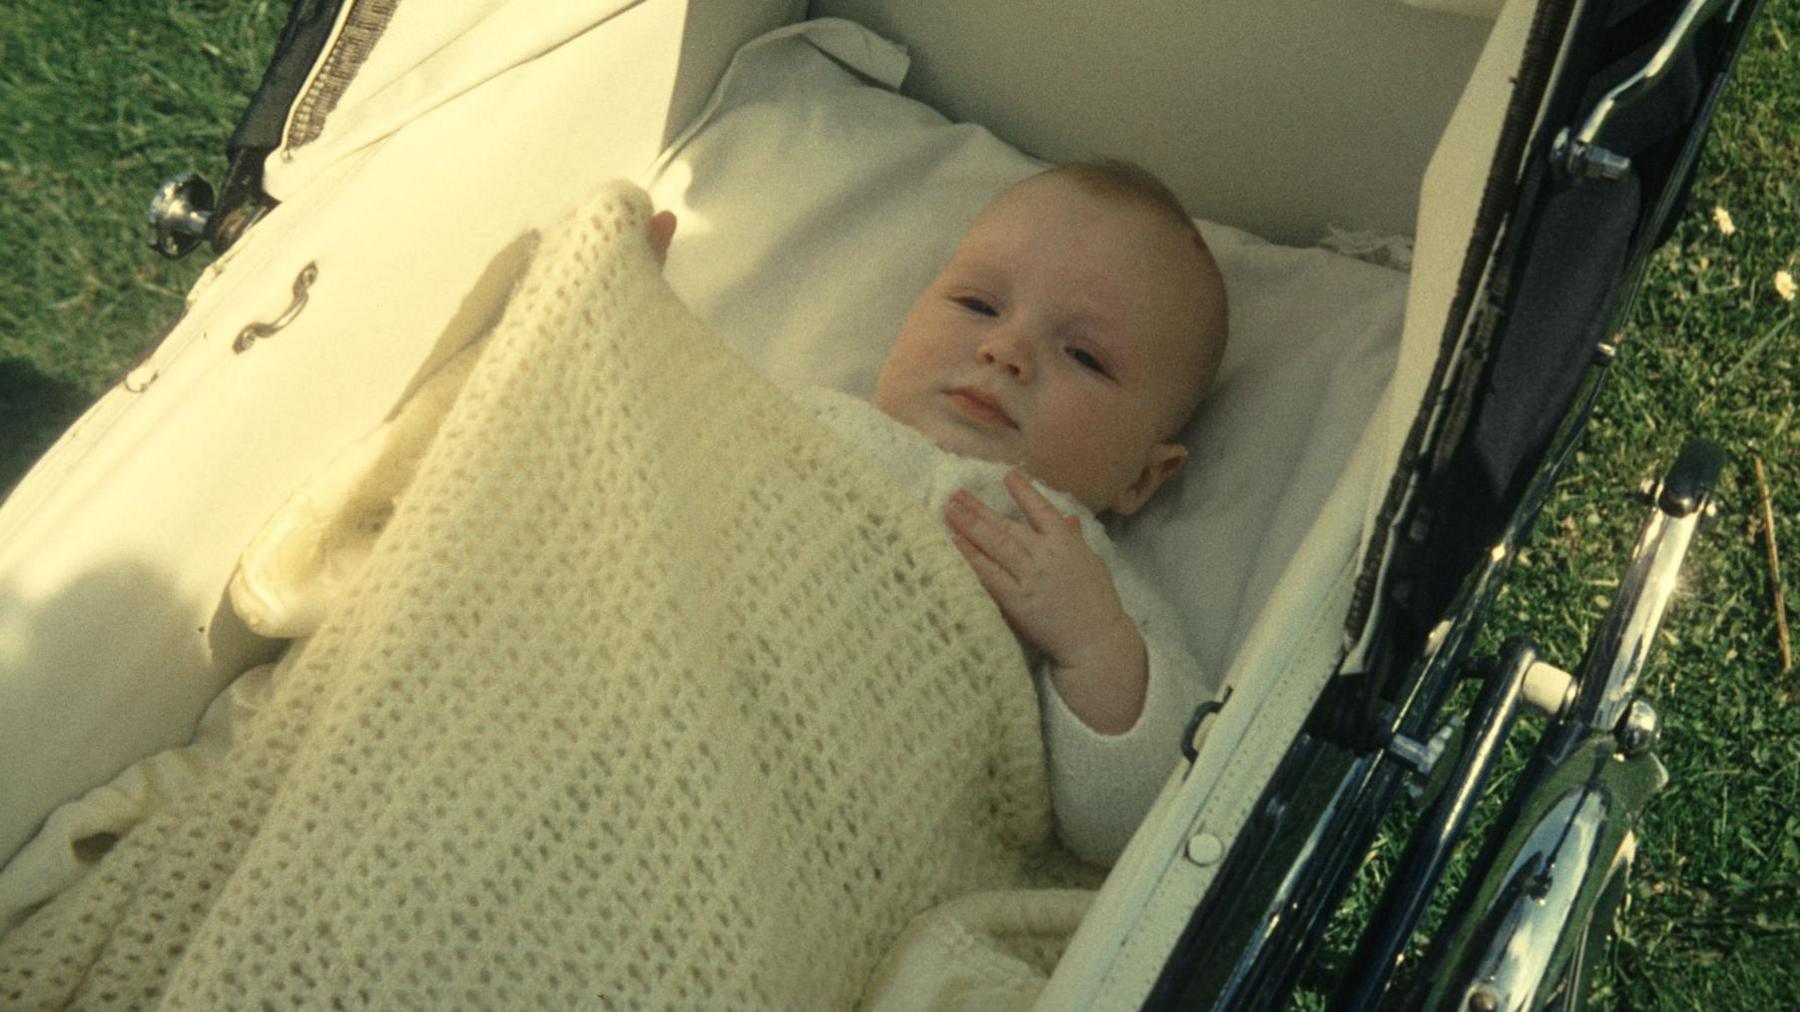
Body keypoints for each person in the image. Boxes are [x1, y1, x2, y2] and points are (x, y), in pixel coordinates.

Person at [654, 159, 1229, 862]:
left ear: (1143, 477)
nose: (1006, 350)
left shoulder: (1088, 585)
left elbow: (1138, 824)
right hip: (669, 690)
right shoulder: (807, 423)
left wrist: (1090, 644)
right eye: (979, 306)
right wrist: (638, 336)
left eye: (1084, 356)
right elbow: (659, 475)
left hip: (824, 830)